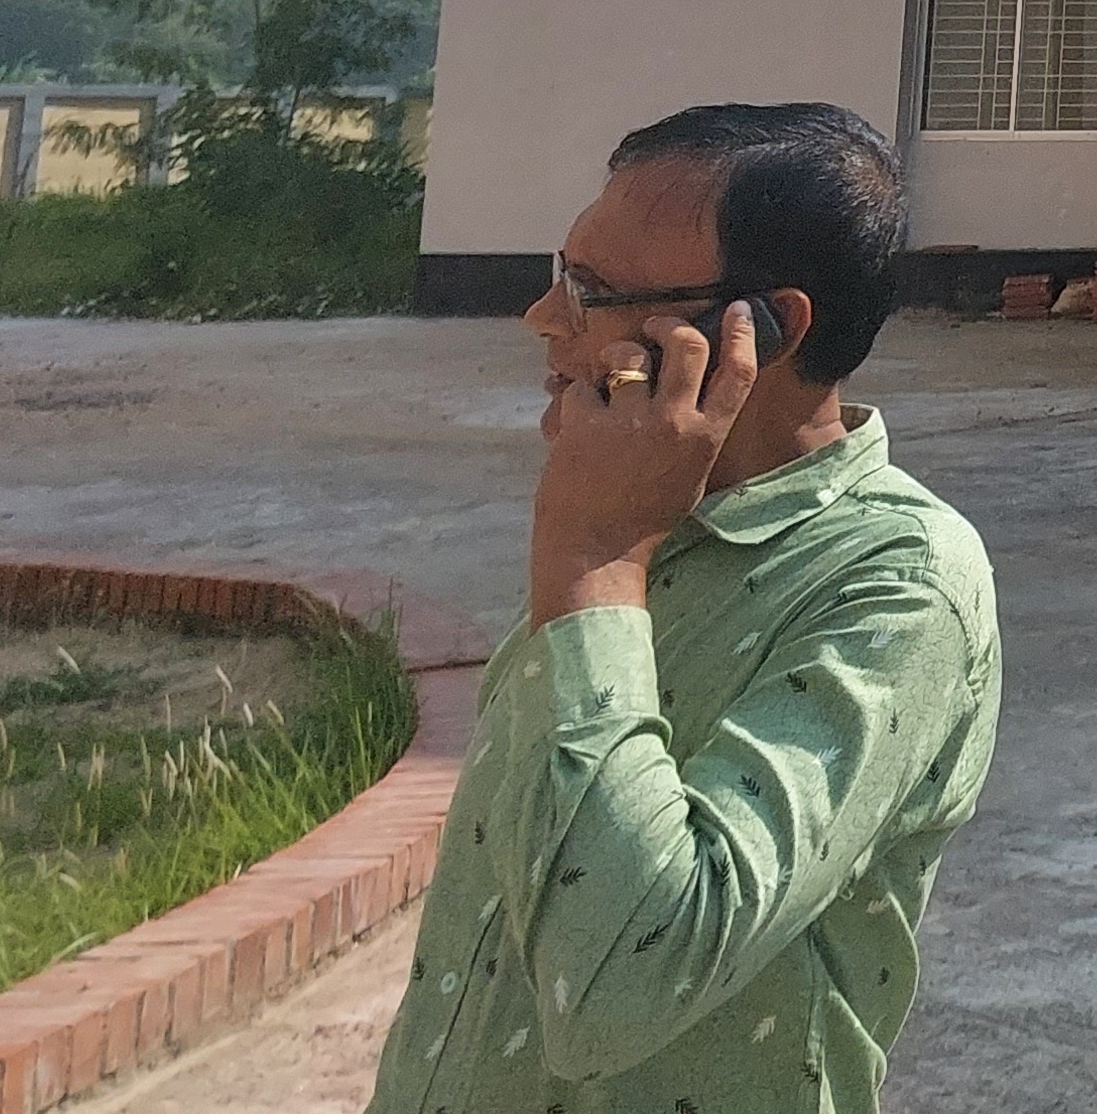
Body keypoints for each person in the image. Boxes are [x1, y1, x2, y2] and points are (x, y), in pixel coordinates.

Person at [368, 101, 1001, 1114]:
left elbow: (613, 990)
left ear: (766, 329)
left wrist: (593, 564)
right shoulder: (650, 514)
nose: (545, 318)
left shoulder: (898, 586)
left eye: (594, 292)